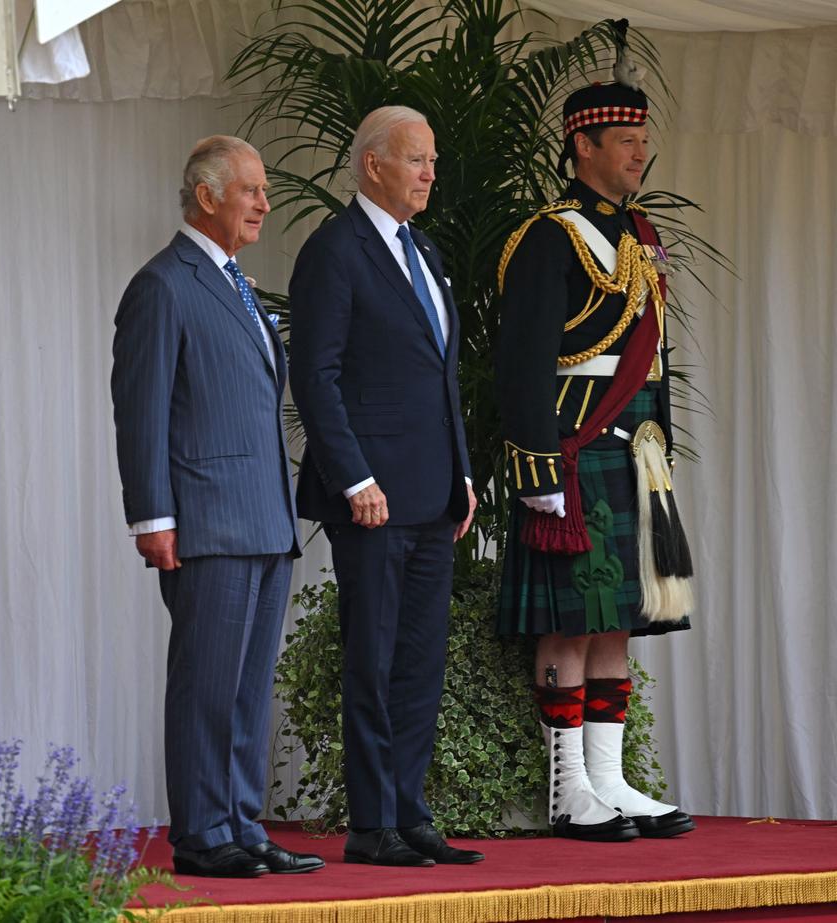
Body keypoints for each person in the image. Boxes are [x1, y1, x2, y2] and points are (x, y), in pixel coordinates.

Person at [495, 44, 695, 842]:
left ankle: (609, 780)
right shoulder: (550, 237)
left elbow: (656, 356)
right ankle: (567, 788)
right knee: (571, 621)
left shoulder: (640, 233)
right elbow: (522, 360)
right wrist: (539, 464)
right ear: (583, 144)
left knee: (619, 619)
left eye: (643, 140)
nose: (640, 152)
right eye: (625, 140)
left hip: (634, 451)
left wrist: (663, 451)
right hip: (571, 454)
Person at [110, 135, 322, 878]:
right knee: (207, 681)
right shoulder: (163, 285)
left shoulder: (237, 284)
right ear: (207, 196)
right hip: (206, 520)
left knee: (247, 686)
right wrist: (153, 517)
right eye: (252, 190)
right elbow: (140, 412)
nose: (265, 203)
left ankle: (240, 821)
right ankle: (202, 833)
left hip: (264, 518)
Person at [289, 106, 483, 868]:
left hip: (434, 495)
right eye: (417, 159)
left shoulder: (426, 251)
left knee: (419, 660)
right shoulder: (334, 251)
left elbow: (441, 376)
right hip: (371, 498)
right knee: (371, 659)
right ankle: (371, 824)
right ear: (373, 164)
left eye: (432, 159)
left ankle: (410, 811)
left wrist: (465, 472)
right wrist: (355, 475)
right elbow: (316, 375)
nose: (432, 172)